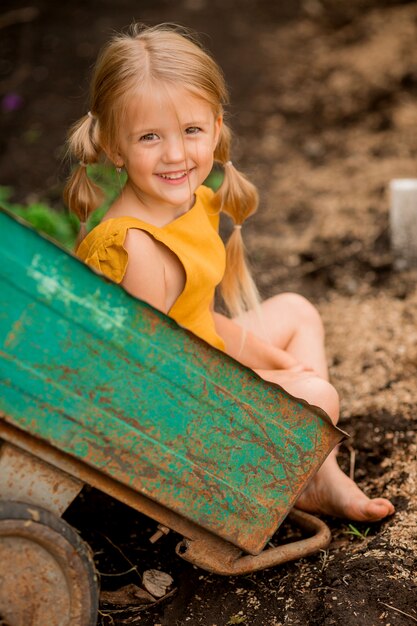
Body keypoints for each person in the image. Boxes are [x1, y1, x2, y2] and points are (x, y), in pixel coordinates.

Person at [65, 23, 394, 523]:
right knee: (316, 397)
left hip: (195, 369)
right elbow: (159, 385)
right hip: (169, 420)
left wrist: (276, 365)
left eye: (191, 131)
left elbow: (200, 318)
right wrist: (276, 381)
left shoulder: (187, 203)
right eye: (150, 137)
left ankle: (317, 477)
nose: (176, 155)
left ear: (216, 129)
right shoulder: (135, 248)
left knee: (296, 313)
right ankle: (282, 474)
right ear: (113, 146)